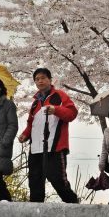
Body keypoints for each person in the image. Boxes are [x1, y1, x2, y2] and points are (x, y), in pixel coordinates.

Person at [18, 67, 79, 203]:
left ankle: (75, 206)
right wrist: (24, 135)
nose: (40, 81)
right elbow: (30, 124)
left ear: (50, 80)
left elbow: (72, 113)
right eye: (37, 79)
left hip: (55, 147)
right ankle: (36, 215)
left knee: (58, 181)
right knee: (35, 184)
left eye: (43, 78)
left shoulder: (59, 95)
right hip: (35, 150)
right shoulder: (35, 104)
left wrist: (56, 109)